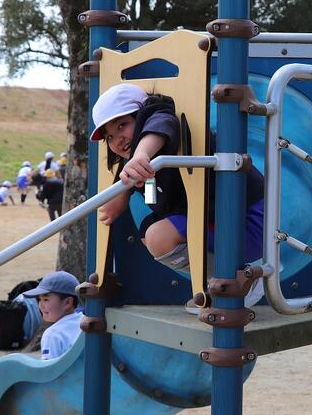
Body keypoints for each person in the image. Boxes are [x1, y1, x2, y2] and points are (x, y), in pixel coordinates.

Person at [91, 84, 265, 309]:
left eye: (122, 125)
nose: (117, 140)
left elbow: (162, 123)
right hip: (219, 219)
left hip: (248, 220)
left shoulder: (166, 124)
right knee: (148, 232)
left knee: (158, 237)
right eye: (110, 137)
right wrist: (122, 193)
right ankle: (224, 279)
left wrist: (141, 154)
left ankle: (240, 279)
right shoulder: (141, 163)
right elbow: (152, 198)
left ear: (142, 116)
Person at [21, 271, 83, 360]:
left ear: (67, 302)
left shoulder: (53, 334)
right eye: (39, 299)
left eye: (46, 299)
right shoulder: (86, 322)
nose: (41, 305)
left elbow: (49, 368)